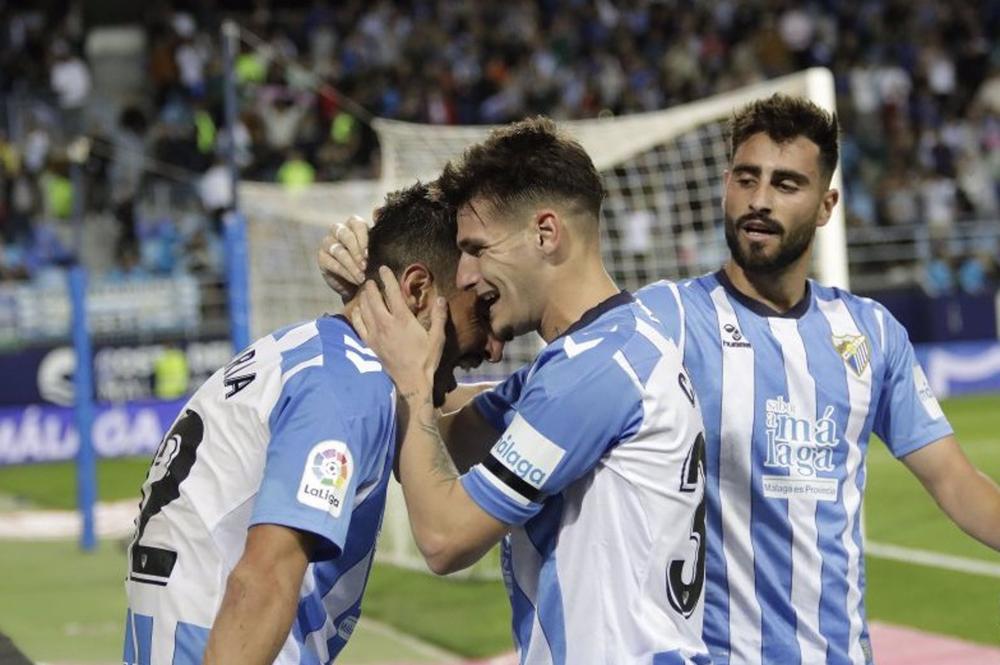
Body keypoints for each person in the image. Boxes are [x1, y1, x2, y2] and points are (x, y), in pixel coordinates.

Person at [319, 96, 1000, 665]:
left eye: (786, 184)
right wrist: (393, 299)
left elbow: (953, 479)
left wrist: (411, 368)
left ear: (827, 205)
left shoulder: (869, 333)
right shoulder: (659, 322)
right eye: (746, 177)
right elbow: (487, 419)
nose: (760, 200)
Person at [349, 118, 711, 664]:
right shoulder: (595, 356)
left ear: (545, 234)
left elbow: (445, 539)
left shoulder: (596, 372)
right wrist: (383, 295)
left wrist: (412, 383)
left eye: (476, 249)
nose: (464, 275)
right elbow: (448, 436)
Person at [123, 182, 499, 665]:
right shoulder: (347, 387)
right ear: (417, 290)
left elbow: (444, 420)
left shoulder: (305, 352)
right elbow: (265, 578)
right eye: (481, 310)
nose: (494, 346)